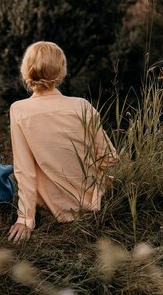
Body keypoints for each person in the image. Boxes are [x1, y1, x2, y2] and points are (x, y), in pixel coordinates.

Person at [8, 41, 117, 243]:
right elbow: (108, 158)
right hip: (90, 204)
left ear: (26, 71)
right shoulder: (82, 106)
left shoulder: (19, 110)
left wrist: (25, 218)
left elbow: (24, 169)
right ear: (61, 71)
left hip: (51, 208)